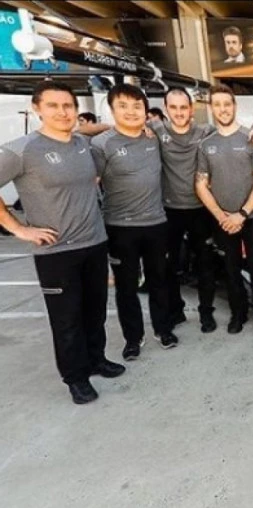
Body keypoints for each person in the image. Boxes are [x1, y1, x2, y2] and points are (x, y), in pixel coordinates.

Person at [0, 80, 124, 404]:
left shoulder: (82, 144)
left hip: (94, 242)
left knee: (95, 311)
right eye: (53, 105)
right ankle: (75, 378)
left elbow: (92, 139)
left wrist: (114, 126)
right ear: (36, 109)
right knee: (67, 319)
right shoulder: (22, 149)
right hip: (56, 251)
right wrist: (19, 229)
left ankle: (96, 359)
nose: (62, 112)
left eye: (68, 105)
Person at [90, 84, 179, 360]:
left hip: (156, 223)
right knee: (126, 286)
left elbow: (181, 126)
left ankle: (163, 329)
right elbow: (91, 183)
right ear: (112, 110)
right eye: (123, 106)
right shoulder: (101, 144)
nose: (131, 112)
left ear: (146, 110)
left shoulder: (155, 136)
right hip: (120, 227)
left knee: (159, 280)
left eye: (137, 106)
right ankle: (133, 338)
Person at [195, 84, 253, 339]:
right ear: (211, 108)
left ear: (234, 106)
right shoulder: (206, 145)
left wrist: (242, 214)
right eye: (217, 104)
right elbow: (200, 184)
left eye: (227, 104)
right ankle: (239, 314)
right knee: (231, 270)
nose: (223, 109)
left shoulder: (252, 138)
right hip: (222, 220)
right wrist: (222, 216)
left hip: (252, 218)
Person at [146, 88, 218, 333]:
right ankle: (176, 311)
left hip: (201, 209)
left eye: (183, 107)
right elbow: (118, 129)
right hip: (169, 211)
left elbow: (232, 134)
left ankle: (206, 313)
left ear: (191, 109)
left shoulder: (206, 131)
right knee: (168, 266)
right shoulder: (155, 130)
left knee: (205, 265)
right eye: (173, 108)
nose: (179, 112)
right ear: (166, 109)